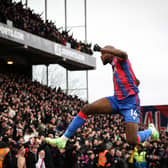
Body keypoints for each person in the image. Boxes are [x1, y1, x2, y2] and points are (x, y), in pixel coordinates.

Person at [44, 45, 159, 149]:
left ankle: (150, 130)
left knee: (132, 140)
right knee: (87, 109)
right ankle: (63, 139)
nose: (101, 57)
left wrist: (102, 49)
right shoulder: (114, 65)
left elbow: (124, 54)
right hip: (117, 100)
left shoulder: (120, 59)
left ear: (109, 54)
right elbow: (136, 81)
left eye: (102, 55)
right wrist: (133, 82)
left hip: (130, 104)